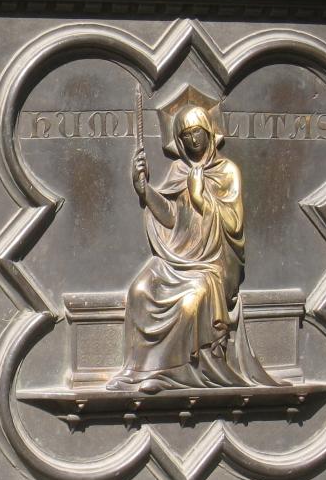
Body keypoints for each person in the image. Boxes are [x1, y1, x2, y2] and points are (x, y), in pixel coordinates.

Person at [106, 103, 278, 393]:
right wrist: (145, 190)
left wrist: (200, 197)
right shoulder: (178, 170)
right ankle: (137, 371)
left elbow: (234, 224)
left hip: (211, 266)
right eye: (185, 135)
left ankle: (171, 373)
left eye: (197, 132)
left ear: (209, 133)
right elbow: (171, 218)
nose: (192, 139)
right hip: (178, 259)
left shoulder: (227, 172)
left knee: (190, 302)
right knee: (139, 290)